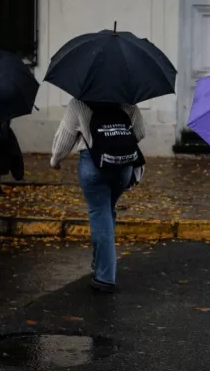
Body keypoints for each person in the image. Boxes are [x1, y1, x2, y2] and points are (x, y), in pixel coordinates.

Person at [50, 99, 145, 293]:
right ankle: (100, 260)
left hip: (94, 165)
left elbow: (65, 140)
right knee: (106, 211)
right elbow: (140, 133)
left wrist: (55, 160)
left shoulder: (78, 103)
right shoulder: (127, 102)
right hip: (123, 166)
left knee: (99, 212)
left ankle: (105, 278)